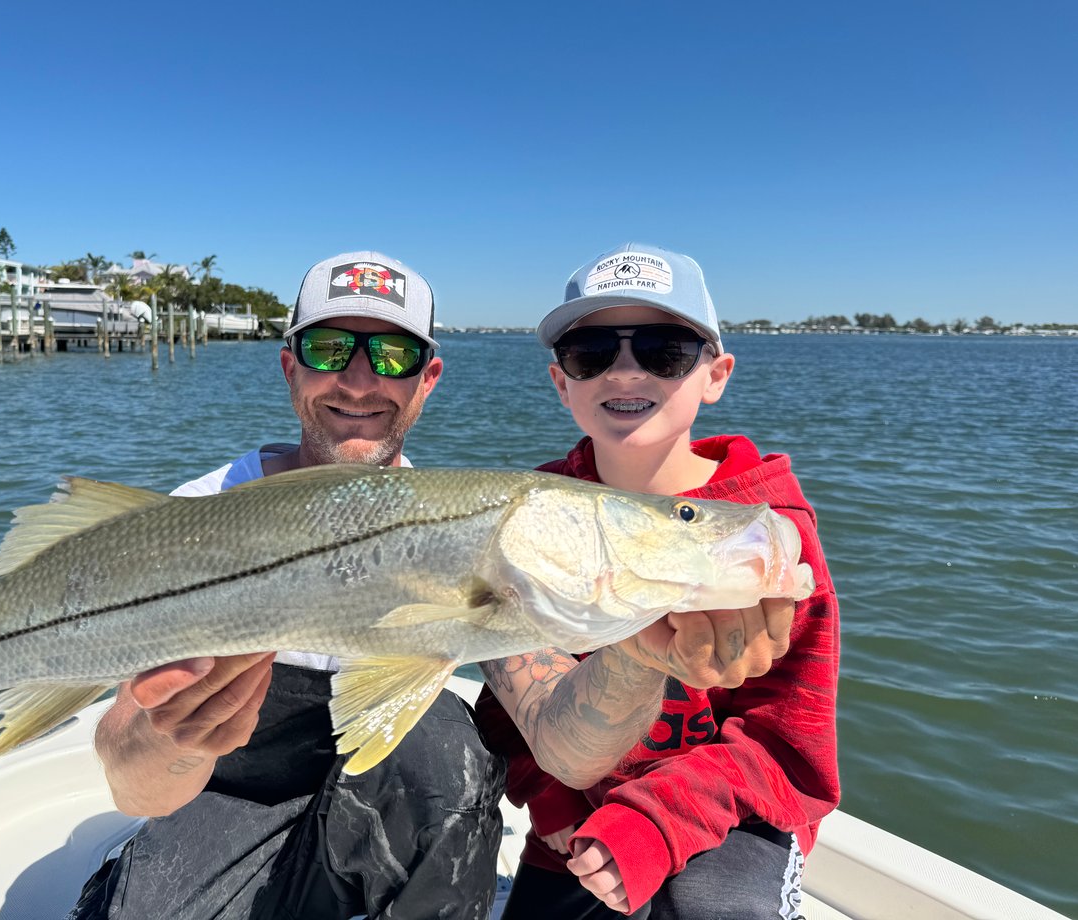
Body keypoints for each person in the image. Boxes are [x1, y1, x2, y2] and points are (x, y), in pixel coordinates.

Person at [70, 250, 798, 920]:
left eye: (392, 354)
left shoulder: (480, 539)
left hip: (371, 817)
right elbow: (136, 786)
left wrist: (641, 652)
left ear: (427, 378)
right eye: (330, 349)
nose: (358, 381)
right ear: (289, 368)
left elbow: (564, 745)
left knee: (449, 750)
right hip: (226, 796)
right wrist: (178, 739)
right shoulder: (190, 516)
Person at [475, 242, 841, 919]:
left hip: (733, 816)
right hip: (577, 815)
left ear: (715, 374)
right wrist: (549, 797)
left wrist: (653, 822)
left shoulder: (765, 538)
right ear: (561, 382)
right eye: (591, 353)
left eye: (662, 349)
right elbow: (505, 702)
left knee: (713, 907)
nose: (623, 372)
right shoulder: (530, 513)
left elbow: (785, 745)